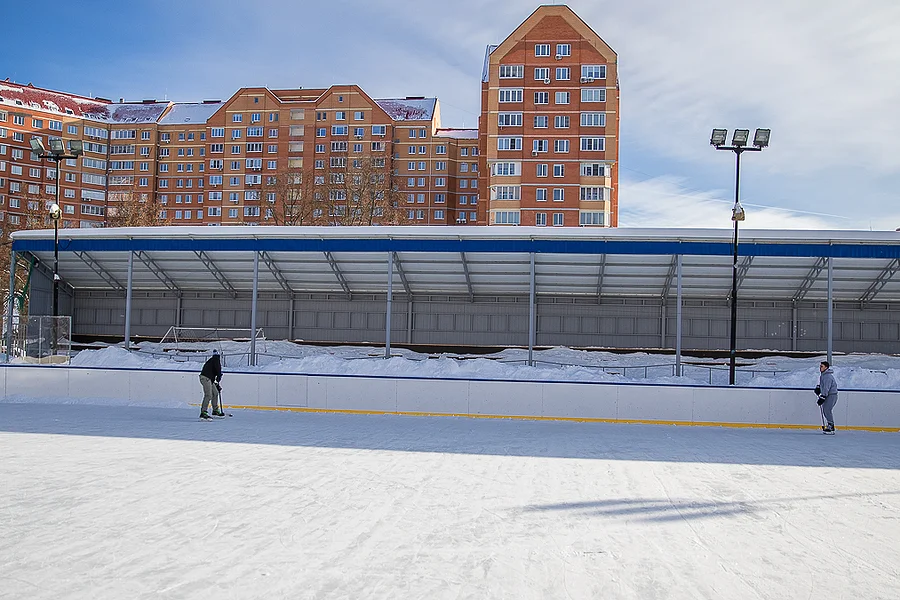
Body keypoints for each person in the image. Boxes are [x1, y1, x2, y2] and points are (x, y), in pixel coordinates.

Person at [199, 349, 224, 419]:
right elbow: (218, 370)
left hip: (208, 378)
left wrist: (216, 384)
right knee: (208, 395)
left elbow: (213, 372)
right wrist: (219, 377)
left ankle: (215, 410)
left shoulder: (212, 360)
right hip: (206, 378)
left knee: (215, 393)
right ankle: (203, 411)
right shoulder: (216, 360)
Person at [816, 360, 838, 434]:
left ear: (826, 367)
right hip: (828, 395)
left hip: (831, 395)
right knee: (826, 410)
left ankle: (831, 425)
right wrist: (818, 388)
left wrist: (823, 396)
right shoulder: (823, 375)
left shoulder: (827, 376)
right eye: (820, 366)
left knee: (827, 410)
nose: (820, 368)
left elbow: (826, 388)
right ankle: (830, 424)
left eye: (822, 366)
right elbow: (823, 385)